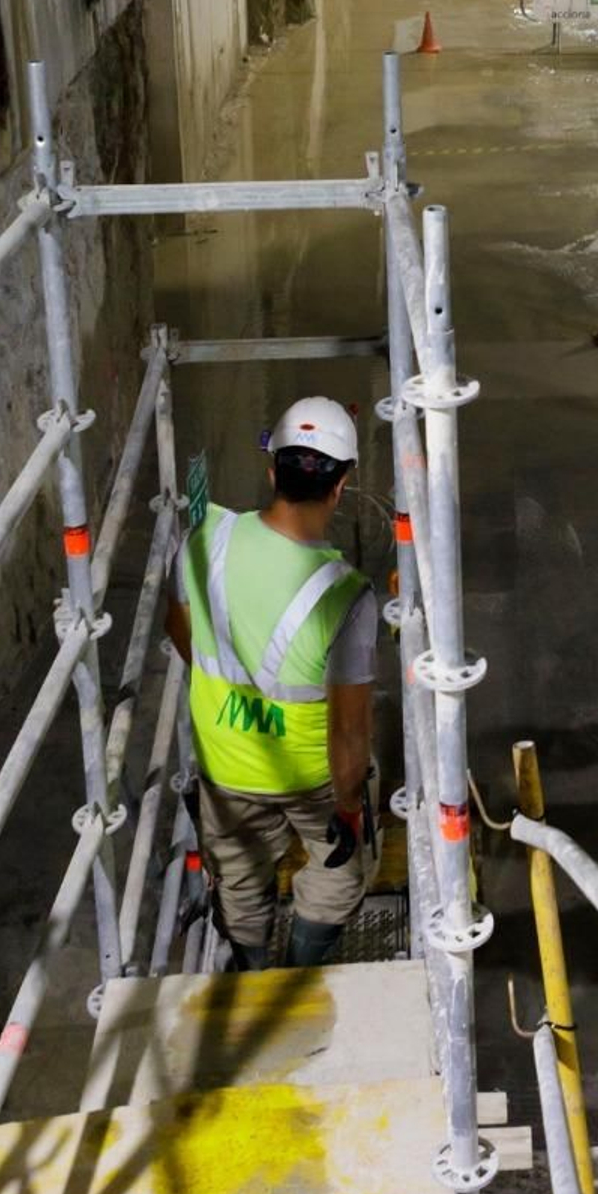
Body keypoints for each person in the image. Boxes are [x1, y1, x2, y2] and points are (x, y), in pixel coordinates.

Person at [167, 398, 379, 971]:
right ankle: (301, 966)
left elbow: (179, 626)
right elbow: (349, 736)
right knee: (339, 874)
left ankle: (253, 971)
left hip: (225, 766)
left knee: (237, 879)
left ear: (271, 472)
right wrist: (350, 807)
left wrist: (225, 691)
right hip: (310, 779)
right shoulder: (347, 597)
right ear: (341, 486)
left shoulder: (203, 542)